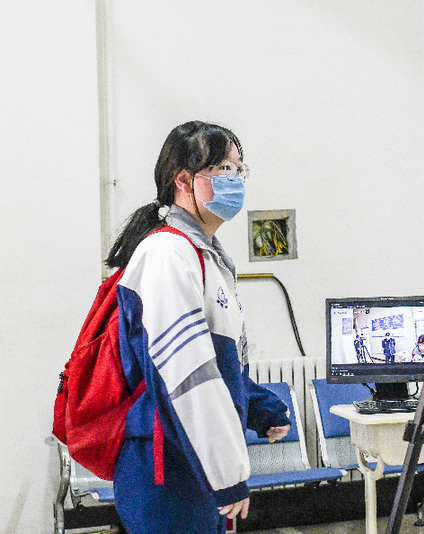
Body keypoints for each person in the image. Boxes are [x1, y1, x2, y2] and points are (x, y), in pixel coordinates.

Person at [106, 121, 291, 533]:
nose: (235, 179)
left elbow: (215, 366)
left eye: (239, 169)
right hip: (169, 469)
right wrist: (226, 474)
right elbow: (186, 375)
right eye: (223, 168)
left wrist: (258, 407)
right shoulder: (167, 252)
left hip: (190, 462)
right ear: (183, 180)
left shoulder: (204, 255)